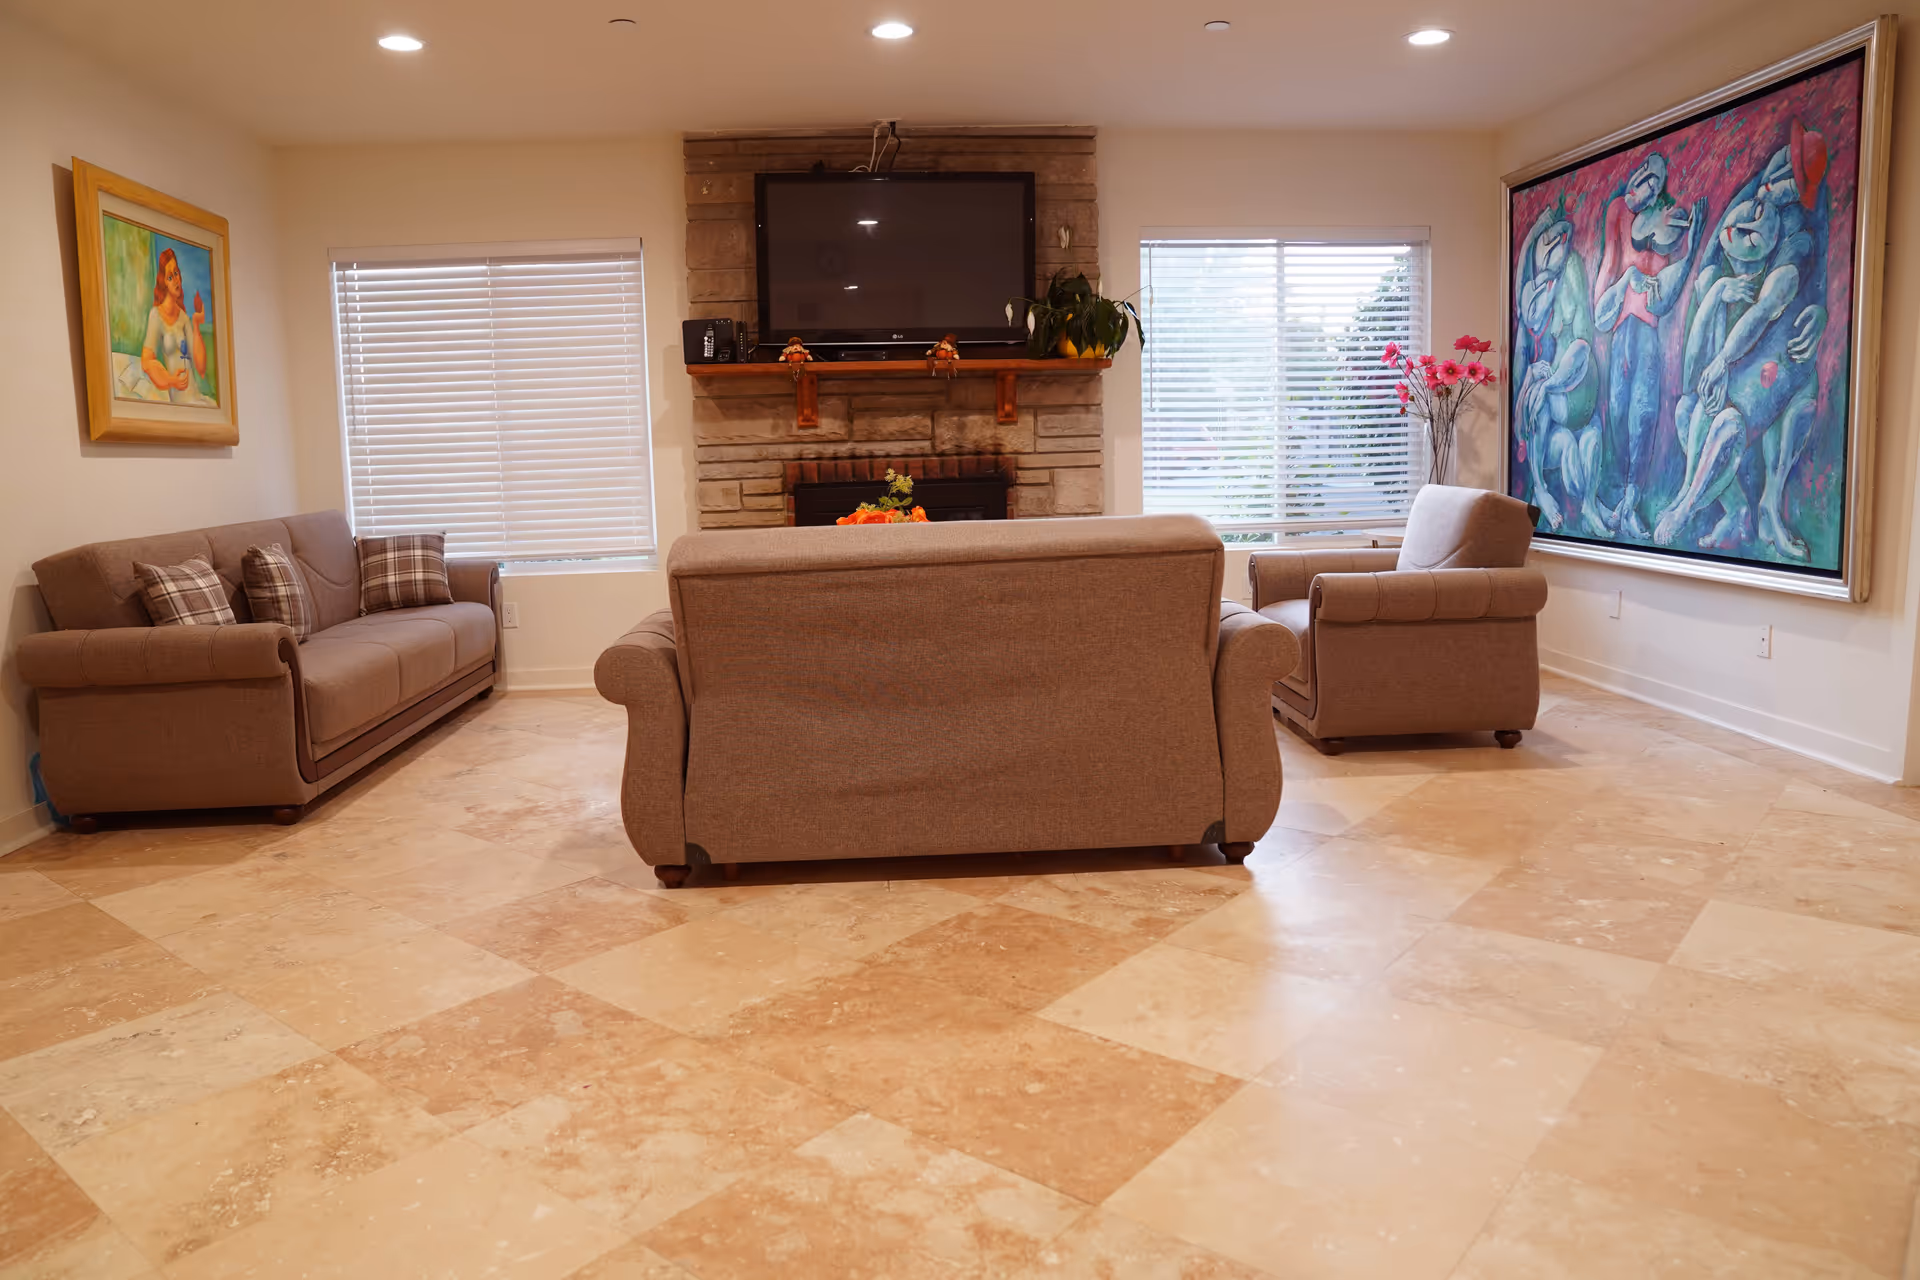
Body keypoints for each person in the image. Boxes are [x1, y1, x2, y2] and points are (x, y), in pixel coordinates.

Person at [1653, 125, 1830, 560]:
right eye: (1775, 171)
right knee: (1690, 409)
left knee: (1728, 423)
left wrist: (1819, 311)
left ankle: (1696, 505)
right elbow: (1693, 368)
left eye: (1787, 181)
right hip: (1738, 357)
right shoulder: (1723, 258)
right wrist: (1715, 307)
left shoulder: (1795, 242)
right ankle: (1723, 510)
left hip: (1778, 359)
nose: (1770, 187)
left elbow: (1769, 307)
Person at [1592, 152, 1707, 539]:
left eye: (1658, 183)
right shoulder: (1619, 213)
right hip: (1622, 328)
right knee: (1619, 411)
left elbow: (1664, 295)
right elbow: (1610, 263)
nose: (1650, 185)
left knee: (1642, 414)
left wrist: (1685, 246)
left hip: (1647, 332)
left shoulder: (1668, 221)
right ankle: (1620, 502)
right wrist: (1603, 303)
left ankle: (1631, 503)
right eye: (1647, 177)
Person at [1514, 207, 1607, 535]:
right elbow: (1518, 425)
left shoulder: (1566, 321)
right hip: (1548, 436)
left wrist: (1547, 383)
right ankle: (1539, 487)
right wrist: (1531, 382)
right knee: (1554, 425)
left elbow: (1581, 349)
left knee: (1587, 441)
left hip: (1576, 417)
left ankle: (1592, 505)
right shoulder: (1530, 347)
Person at [139, 248, 210, 405]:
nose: (176, 280)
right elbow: (147, 361)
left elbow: (200, 367)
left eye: (176, 273)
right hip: (178, 399)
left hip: (193, 394)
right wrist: (170, 381)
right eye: (170, 277)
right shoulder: (156, 315)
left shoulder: (184, 318)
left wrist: (197, 325)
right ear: (164, 282)